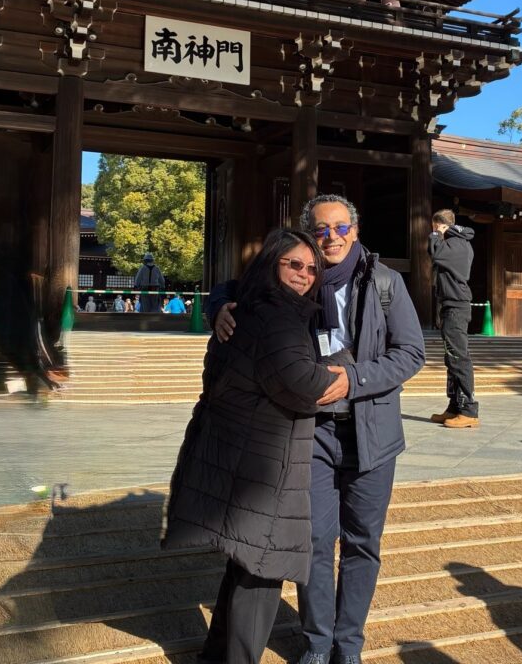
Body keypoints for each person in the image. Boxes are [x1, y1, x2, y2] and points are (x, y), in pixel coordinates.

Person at [211, 194, 425, 664]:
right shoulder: (297, 277)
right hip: (311, 431)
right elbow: (235, 287)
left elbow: (412, 353)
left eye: (341, 227)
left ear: (355, 230)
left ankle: (348, 645)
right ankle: (318, 642)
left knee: (362, 543)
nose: (332, 237)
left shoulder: (385, 282)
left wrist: (354, 378)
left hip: (372, 432)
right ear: (309, 234)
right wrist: (220, 306)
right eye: (322, 229)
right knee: (314, 540)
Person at [163, 229, 336, 664]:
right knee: (262, 569)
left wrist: (219, 302)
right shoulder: (279, 317)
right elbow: (300, 382)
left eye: (311, 268)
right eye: (294, 264)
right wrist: (344, 374)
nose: (304, 274)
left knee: (243, 563)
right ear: (272, 263)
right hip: (265, 460)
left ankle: (214, 656)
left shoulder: (247, 305)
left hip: (239, 450)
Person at [427, 209, 478, 428]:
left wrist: (436, 234)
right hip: (451, 304)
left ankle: (468, 410)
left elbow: (435, 251)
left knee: (459, 358)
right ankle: (455, 406)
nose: (433, 231)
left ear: (442, 225)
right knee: (451, 358)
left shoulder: (457, 244)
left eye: (435, 227)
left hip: (457, 306)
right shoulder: (455, 243)